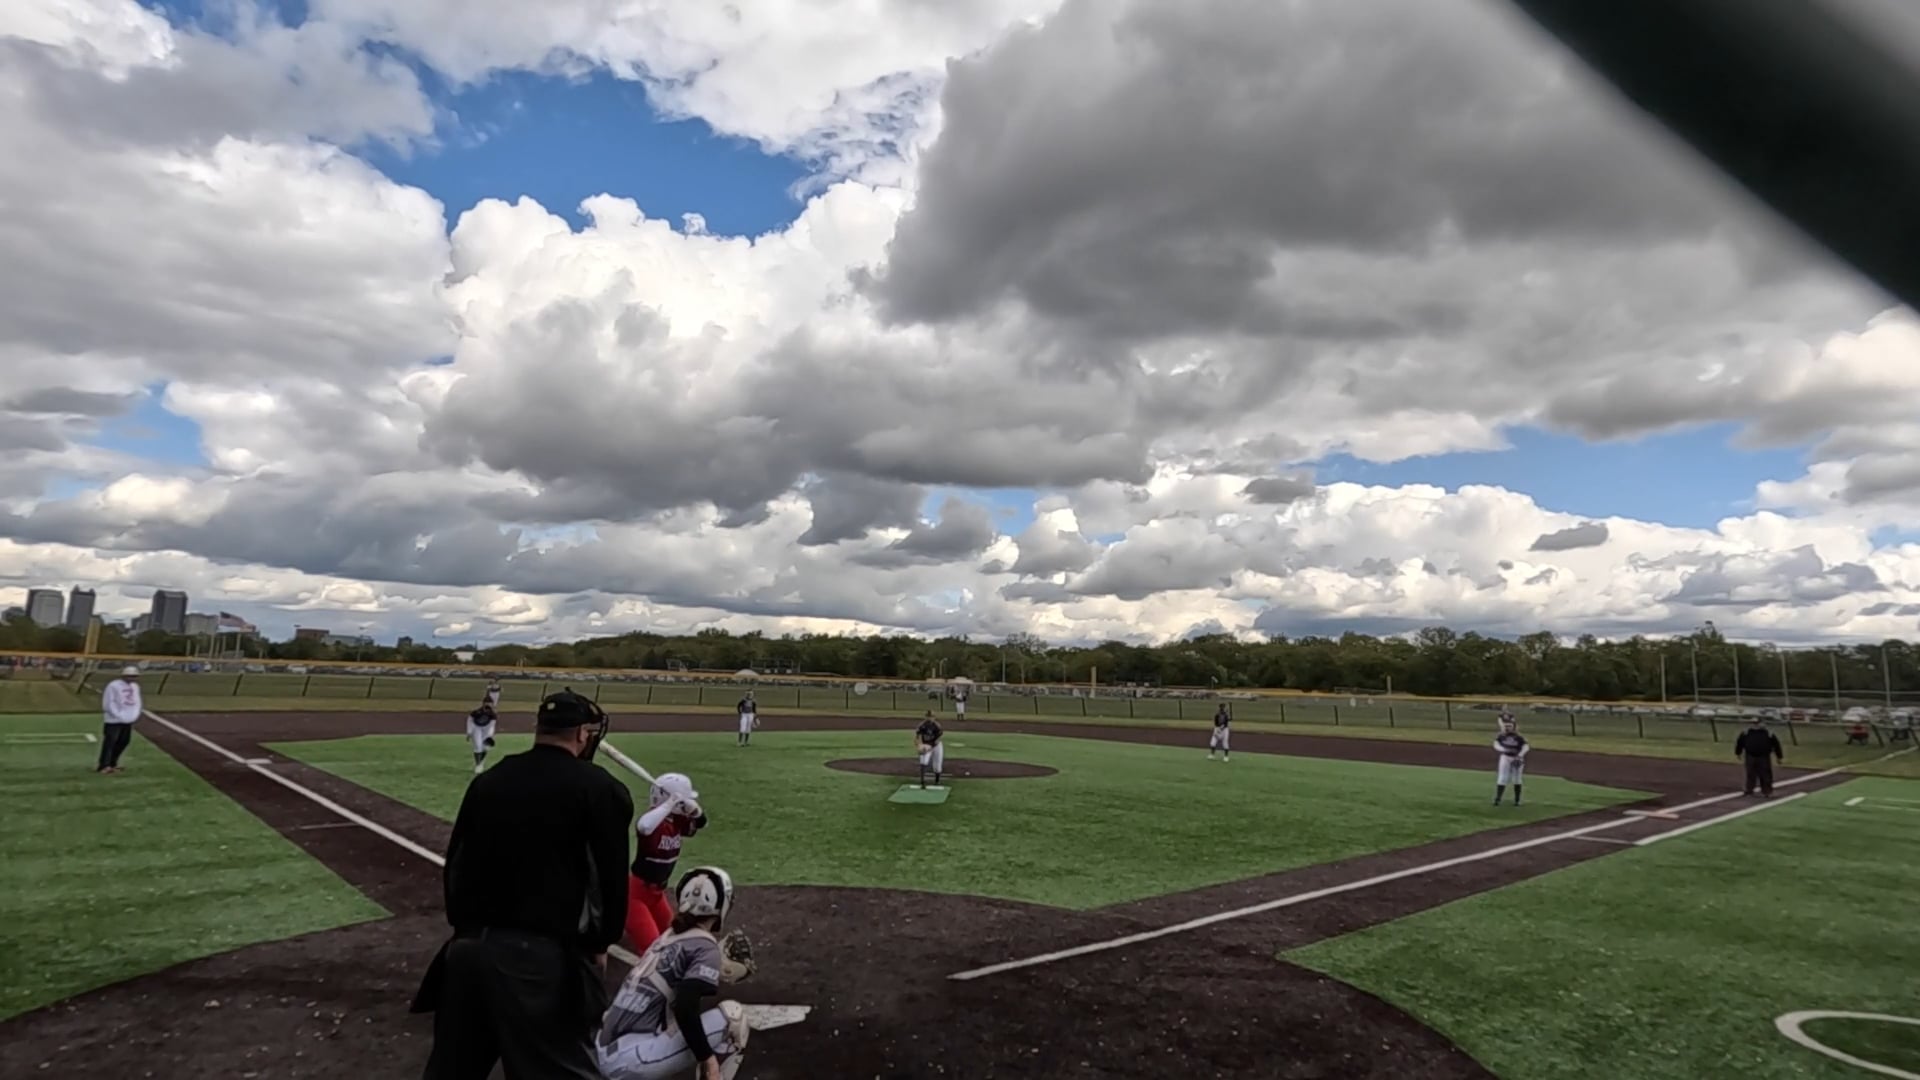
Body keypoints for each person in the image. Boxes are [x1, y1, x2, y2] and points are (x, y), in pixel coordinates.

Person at [413, 689, 634, 1080]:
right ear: (582, 734)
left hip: (466, 952)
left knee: (452, 1070)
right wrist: (600, 943)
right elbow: (608, 880)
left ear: (539, 728)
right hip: (539, 963)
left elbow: (457, 865)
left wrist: (465, 931)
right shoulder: (600, 789)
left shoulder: (490, 781)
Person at [597, 867, 757, 1080]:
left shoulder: (669, 936)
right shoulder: (705, 946)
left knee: (670, 1017)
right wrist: (708, 1059)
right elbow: (685, 1006)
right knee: (733, 1019)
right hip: (630, 1060)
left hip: (601, 1050)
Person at [627, 772, 709, 954]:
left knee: (674, 940)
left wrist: (695, 810)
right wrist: (670, 803)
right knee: (654, 951)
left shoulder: (677, 821)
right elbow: (644, 827)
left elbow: (702, 823)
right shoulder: (653, 822)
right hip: (636, 895)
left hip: (657, 895)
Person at [97, 665, 142, 774]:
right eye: (129, 676)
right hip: (113, 720)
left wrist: (133, 715)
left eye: (134, 676)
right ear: (124, 676)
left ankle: (113, 763)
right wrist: (117, 714)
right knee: (110, 742)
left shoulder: (135, 687)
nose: (132, 678)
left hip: (127, 719)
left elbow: (137, 701)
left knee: (124, 741)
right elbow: (109, 702)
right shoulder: (113, 685)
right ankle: (104, 765)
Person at [1734, 717, 1785, 797]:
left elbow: (1776, 745)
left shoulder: (1768, 733)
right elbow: (1740, 743)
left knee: (1765, 775)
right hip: (1750, 756)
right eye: (1753, 723)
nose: (1755, 725)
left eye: (1757, 723)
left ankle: (1767, 791)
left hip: (1763, 757)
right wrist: (1738, 753)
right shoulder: (1746, 733)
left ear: (1762, 723)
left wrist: (1779, 757)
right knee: (1750, 774)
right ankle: (1749, 790)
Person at [1493, 716, 1529, 806]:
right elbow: (1496, 744)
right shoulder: (1501, 736)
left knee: (1517, 778)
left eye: (1509, 726)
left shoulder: (1519, 737)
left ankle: (1517, 800)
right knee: (1502, 777)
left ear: (1514, 727)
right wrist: (1503, 749)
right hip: (1505, 757)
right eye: (1506, 726)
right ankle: (1498, 799)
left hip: (1516, 758)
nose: (1507, 727)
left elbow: (1526, 747)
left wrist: (1520, 755)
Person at [466, 702, 498, 775]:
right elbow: (470, 720)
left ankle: (480, 762)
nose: (487, 709)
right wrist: (469, 732)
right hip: (476, 727)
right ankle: (478, 764)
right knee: (478, 746)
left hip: (486, 728)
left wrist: (490, 735)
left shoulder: (493, 715)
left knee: (485, 747)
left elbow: (491, 726)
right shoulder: (476, 712)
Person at [914, 711, 945, 789]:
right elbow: (917, 737)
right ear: (925, 717)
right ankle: (922, 781)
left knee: (937, 766)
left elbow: (937, 740)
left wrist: (929, 747)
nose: (930, 718)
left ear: (934, 717)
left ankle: (937, 781)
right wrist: (919, 745)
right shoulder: (922, 725)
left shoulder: (937, 726)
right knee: (923, 761)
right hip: (925, 745)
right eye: (928, 716)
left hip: (936, 746)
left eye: (931, 717)